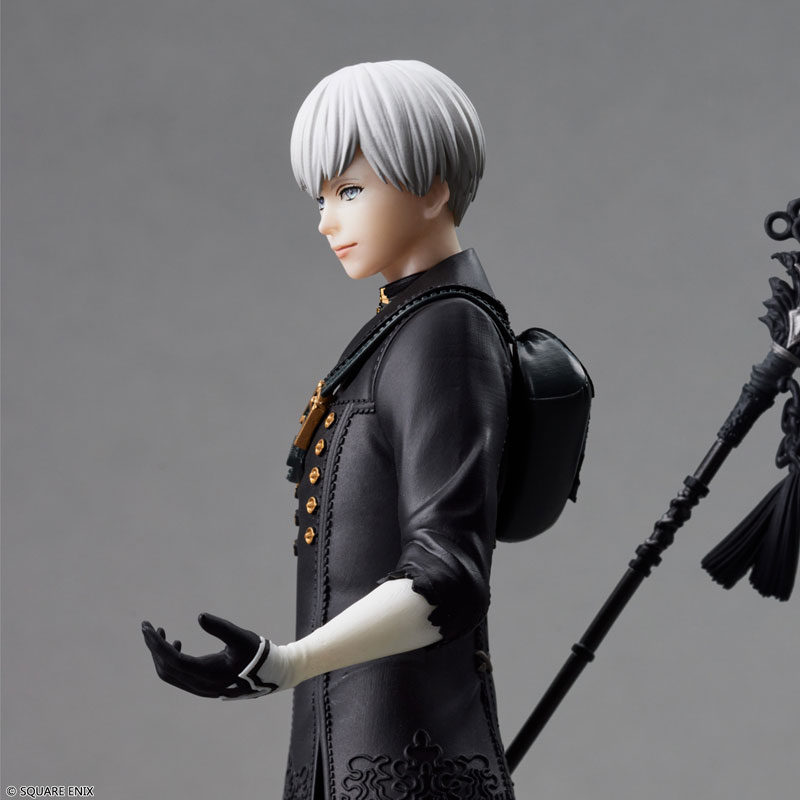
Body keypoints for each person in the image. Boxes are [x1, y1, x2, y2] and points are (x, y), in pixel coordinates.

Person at [143, 60, 516, 800]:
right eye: (321, 197)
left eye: (349, 191)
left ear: (432, 187)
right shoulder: (402, 325)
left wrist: (285, 663)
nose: (326, 221)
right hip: (346, 752)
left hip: (410, 763)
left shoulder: (446, 331)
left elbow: (447, 576)